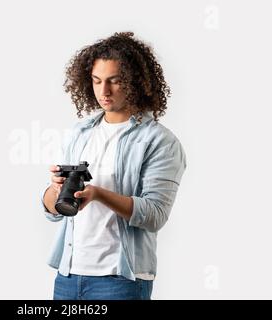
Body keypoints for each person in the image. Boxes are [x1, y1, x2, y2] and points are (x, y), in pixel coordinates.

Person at [41, 31, 187, 300]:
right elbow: (53, 211)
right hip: (68, 276)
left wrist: (98, 194)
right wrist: (55, 189)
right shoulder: (79, 133)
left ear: (134, 83)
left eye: (114, 81)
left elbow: (155, 214)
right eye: (96, 81)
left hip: (120, 281)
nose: (103, 91)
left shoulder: (160, 141)